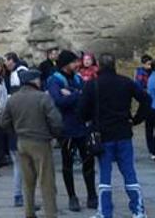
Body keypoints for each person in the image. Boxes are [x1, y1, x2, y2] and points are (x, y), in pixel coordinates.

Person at [81, 53, 150, 218]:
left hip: (103, 134)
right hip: (123, 132)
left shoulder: (93, 85)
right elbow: (146, 99)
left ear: (99, 66)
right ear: (114, 65)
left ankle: (105, 212)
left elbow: (82, 111)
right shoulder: (126, 82)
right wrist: (137, 119)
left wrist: (91, 119)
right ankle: (138, 210)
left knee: (105, 175)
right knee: (129, 172)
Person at [0, 69, 61, 218]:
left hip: (22, 141)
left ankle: (29, 212)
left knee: (28, 181)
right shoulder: (42, 97)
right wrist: (54, 134)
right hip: (40, 142)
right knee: (46, 181)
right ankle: (50, 213)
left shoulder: (13, 98)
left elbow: (3, 122)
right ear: (34, 81)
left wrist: (15, 131)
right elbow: (56, 121)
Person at [46, 50, 97, 211]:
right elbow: (59, 101)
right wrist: (78, 95)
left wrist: (74, 94)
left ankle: (92, 195)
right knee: (67, 163)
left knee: (88, 161)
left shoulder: (78, 78)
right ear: (66, 63)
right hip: (66, 127)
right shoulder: (54, 80)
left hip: (82, 126)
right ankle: (72, 196)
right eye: (75, 62)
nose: (78, 64)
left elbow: (88, 97)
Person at [4, 52, 29, 208]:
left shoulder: (16, 74)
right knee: (24, 166)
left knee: (18, 166)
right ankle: (23, 196)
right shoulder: (18, 75)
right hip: (22, 134)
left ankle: (19, 195)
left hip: (14, 132)